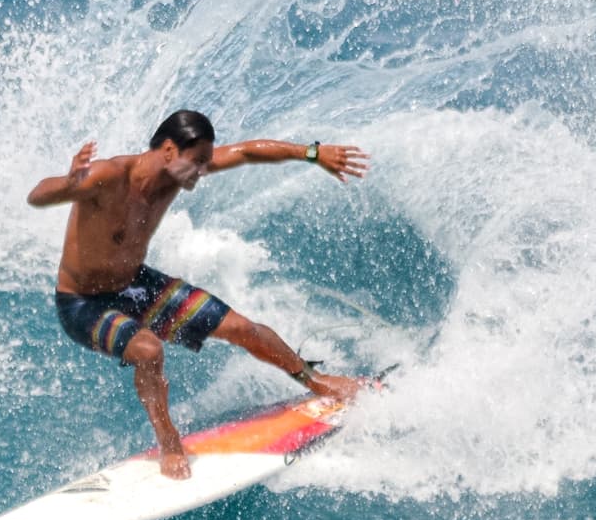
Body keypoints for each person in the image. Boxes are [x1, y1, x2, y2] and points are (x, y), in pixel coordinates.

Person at [27, 109, 369, 479]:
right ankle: (169, 443)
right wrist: (68, 182)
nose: (204, 170)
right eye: (199, 162)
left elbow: (245, 152)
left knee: (241, 328)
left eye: (206, 161)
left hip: (136, 284)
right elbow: (37, 196)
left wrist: (313, 154)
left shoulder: (175, 176)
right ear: (170, 151)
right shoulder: (109, 175)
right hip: (82, 303)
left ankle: (313, 380)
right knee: (147, 349)